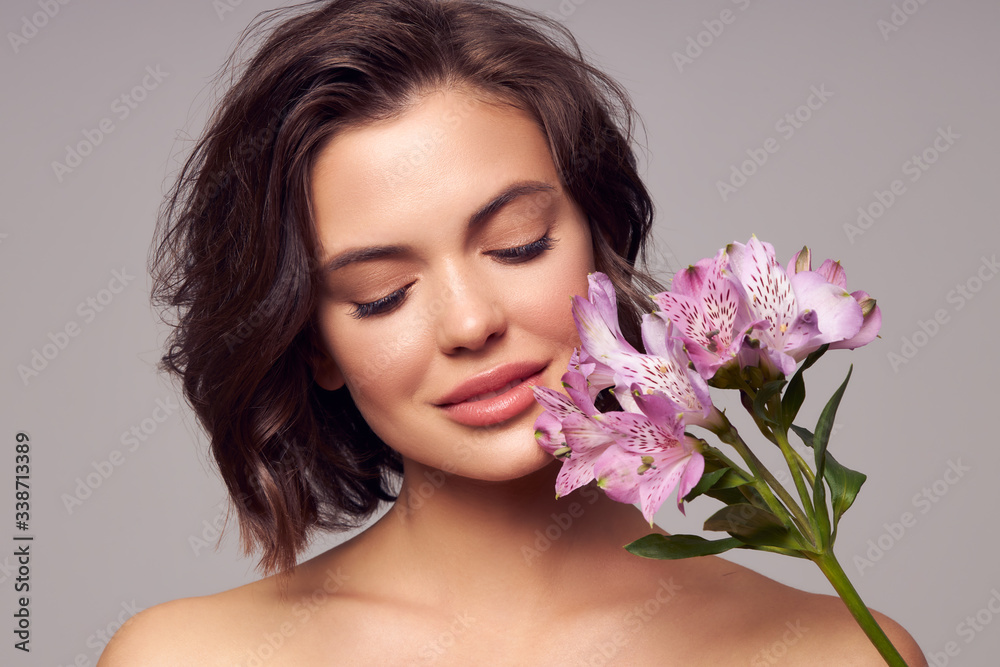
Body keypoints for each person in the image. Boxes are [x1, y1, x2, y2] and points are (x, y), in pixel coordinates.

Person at [99, 0, 926, 664]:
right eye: (381, 294)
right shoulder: (186, 656)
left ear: (599, 236)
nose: (469, 322)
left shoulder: (833, 651)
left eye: (518, 245)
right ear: (314, 345)